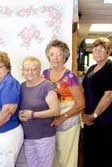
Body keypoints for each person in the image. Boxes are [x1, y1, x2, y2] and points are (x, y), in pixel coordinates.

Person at [43, 39, 85, 167]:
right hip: (50, 124)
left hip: (68, 123)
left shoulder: (70, 76)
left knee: (67, 161)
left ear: (65, 56)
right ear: (48, 56)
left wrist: (63, 117)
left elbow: (81, 104)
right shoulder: (44, 74)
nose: (55, 58)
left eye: (59, 54)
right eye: (52, 54)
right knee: (53, 160)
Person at [82, 37, 112, 167]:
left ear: (108, 52)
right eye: (95, 49)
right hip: (90, 120)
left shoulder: (111, 67)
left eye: (102, 49)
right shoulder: (92, 68)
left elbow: (109, 95)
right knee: (91, 155)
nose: (97, 52)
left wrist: (95, 115)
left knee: (104, 157)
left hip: (105, 120)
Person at [19, 56, 60, 167]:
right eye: (27, 69)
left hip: (44, 136)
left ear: (39, 70)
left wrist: (33, 115)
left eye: (34, 69)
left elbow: (56, 110)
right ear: (23, 71)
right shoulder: (22, 86)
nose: (30, 72)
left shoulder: (46, 85)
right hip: (28, 136)